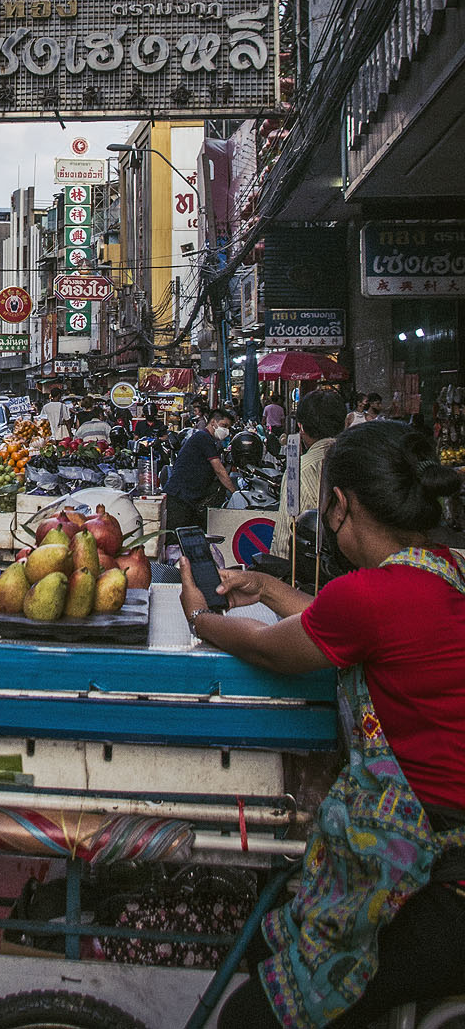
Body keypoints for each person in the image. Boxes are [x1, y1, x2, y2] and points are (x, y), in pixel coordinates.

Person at [179, 421, 465, 1029]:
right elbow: (336, 624)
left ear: (340, 504)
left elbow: (271, 648)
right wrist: (266, 587)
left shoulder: (370, 597)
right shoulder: (443, 570)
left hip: (444, 882)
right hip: (442, 858)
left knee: (252, 1017)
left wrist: (201, 616)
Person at [269, 388, 347, 558]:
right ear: (344, 423)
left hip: (313, 574)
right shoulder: (356, 460)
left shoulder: (299, 469)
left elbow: (285, 539)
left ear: (301, 427)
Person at [162, 407, 236, 533]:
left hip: (189, 498)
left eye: (228, 427)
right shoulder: (203, 438)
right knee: (176, 539)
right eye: (224, 425)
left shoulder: (210, 441)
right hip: (179, 497)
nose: (226, 430)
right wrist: (235, 493)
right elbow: (219, 470)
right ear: (213, 422)